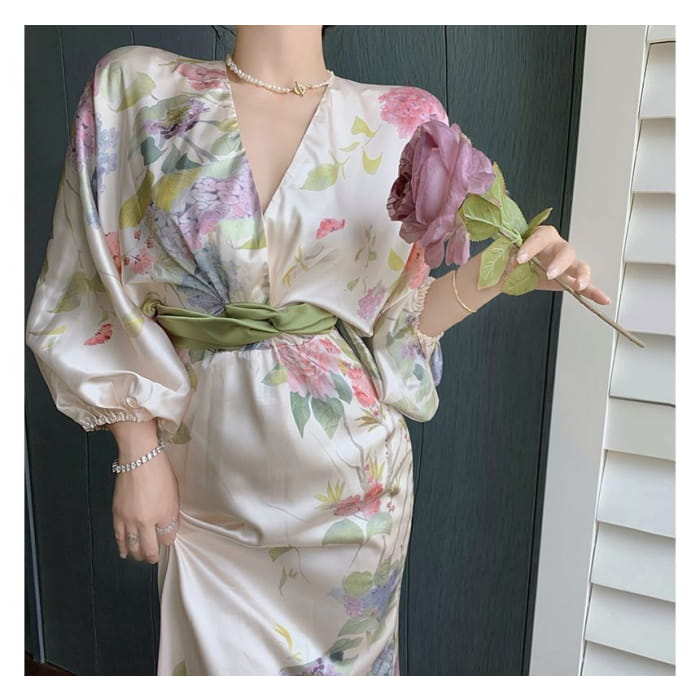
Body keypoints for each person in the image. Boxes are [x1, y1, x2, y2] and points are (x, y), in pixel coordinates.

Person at [25, 25, 610, 676]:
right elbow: (88, 285)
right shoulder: (137, 90)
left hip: (353, 498)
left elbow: (399, 325)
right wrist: (137, 451)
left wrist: (503, 272)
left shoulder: (403, 122)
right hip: (207, 490)